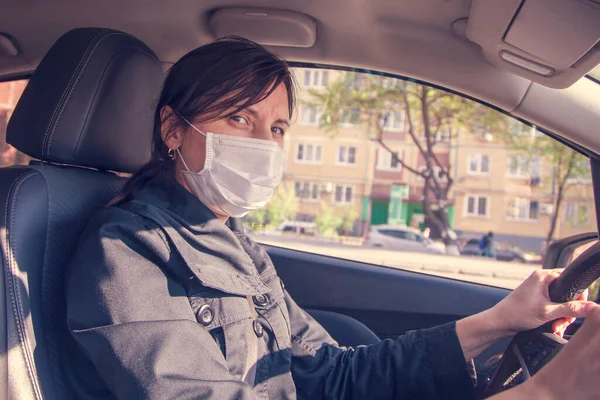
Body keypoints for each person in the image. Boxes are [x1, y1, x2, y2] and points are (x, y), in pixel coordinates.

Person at [65, 37, 600, 400]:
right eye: (238, 117)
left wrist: (500, 320)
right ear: (173, 129)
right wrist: (547, 391)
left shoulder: (233, 241)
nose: (262, 143)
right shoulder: (127, 249)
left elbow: (331, 373)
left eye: (276, 128)